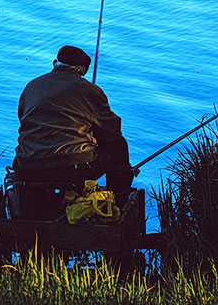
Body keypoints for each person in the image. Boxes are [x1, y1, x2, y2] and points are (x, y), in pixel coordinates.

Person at [9, 45, 134, 217]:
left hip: (27, 166)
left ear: (55, 63)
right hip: (69, 169)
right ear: (82, 70)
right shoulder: (89, 90)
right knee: (119, 145)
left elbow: (23, 119)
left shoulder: (32, 86)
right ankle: (118, 202)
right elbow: (112, 132)